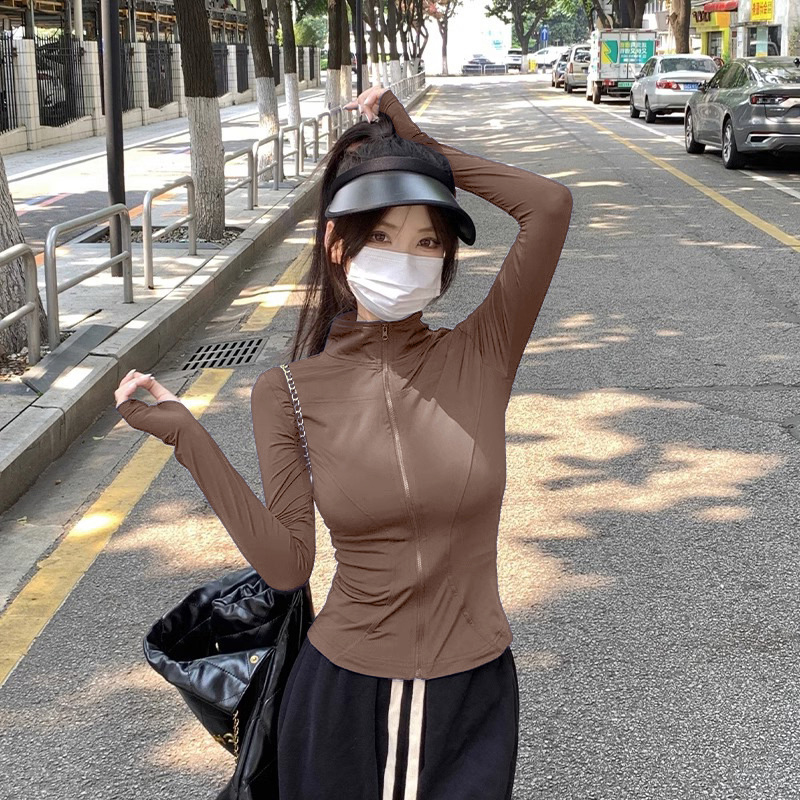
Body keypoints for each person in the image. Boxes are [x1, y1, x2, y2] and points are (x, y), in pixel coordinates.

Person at [114, 85, 572, 799]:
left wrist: (421, 151)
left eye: (428, 242)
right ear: (338, 245)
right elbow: (288, 565)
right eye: (381, 236)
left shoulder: (480, 354)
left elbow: (548, 205)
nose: (405, 257)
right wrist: (186, 435)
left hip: (473, 690)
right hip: (349, 695)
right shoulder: (287, 392)